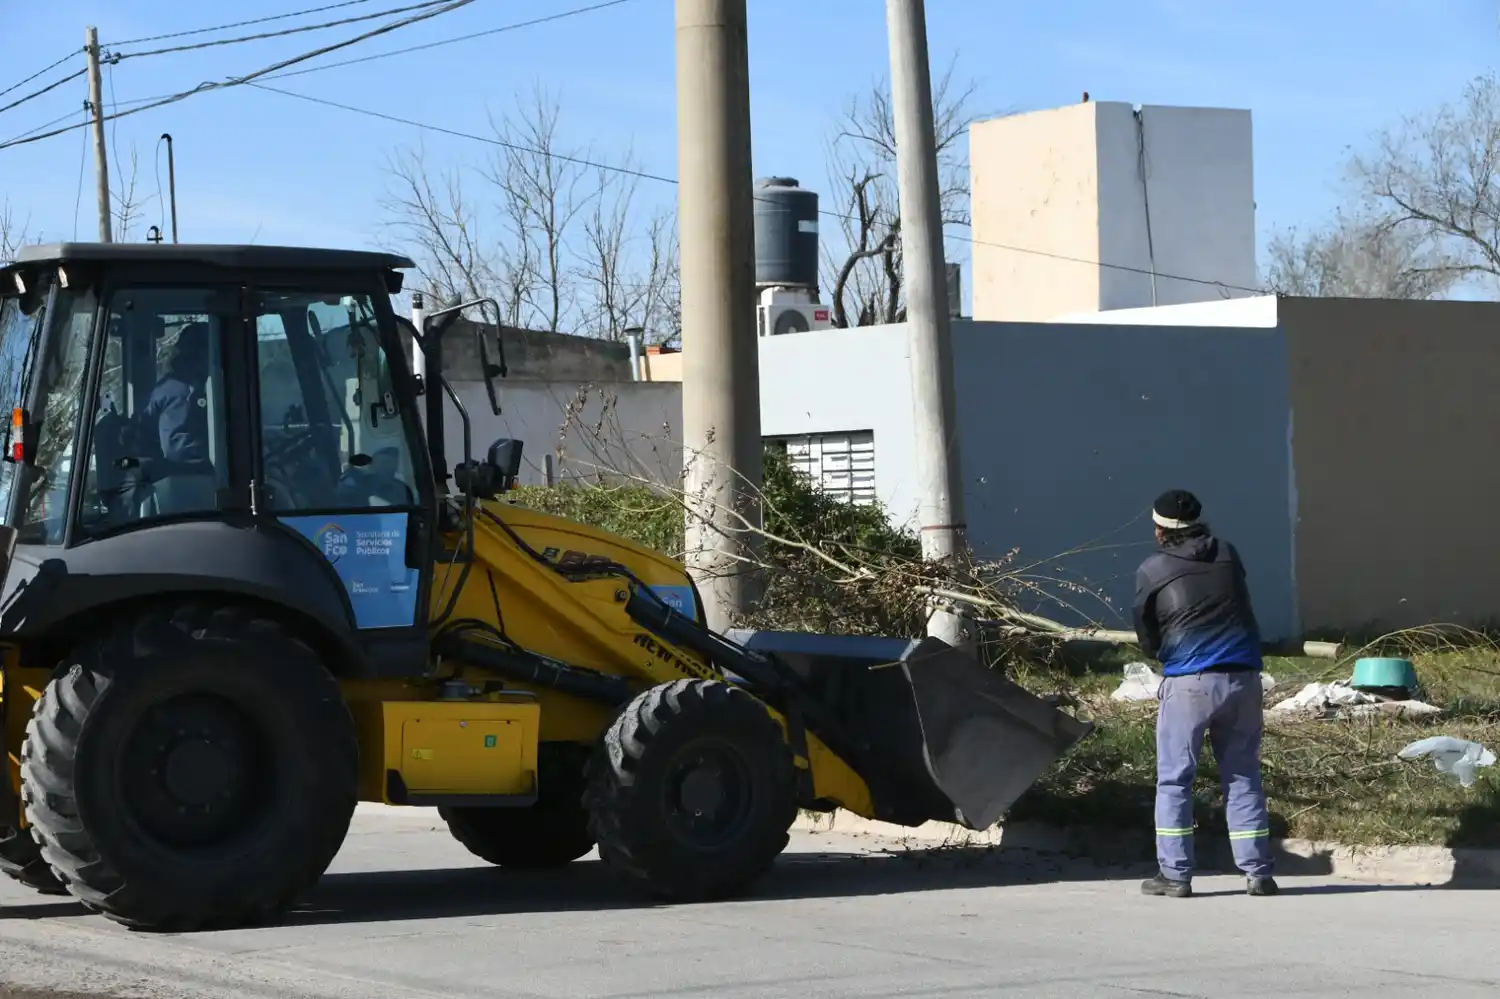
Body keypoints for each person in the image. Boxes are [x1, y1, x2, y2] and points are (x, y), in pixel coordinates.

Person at [1132, 488, 1278, 899]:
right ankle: (1258, 872)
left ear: (1160, 529)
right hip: (1244, 678)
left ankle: (1175, 874)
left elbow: (1147, 633)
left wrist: (1161, 652)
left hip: (1190, 683)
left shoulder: (1152, 569)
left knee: (1176, 780)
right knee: (1243, 773)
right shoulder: (1228, 554)